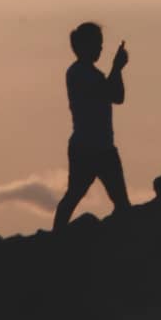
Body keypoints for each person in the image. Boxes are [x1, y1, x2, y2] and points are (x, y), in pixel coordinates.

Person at [53, 21, 132, 229]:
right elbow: (110, 92)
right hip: (87, 148)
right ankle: (55, 242)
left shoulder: (94, 74)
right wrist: (116, 67)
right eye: (97, 44)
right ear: (85, 46)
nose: (100, 48)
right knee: (73, 197)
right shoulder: (78, 74)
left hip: (103, 147)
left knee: (121, 204)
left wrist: (118, 70)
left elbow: (118, 96)